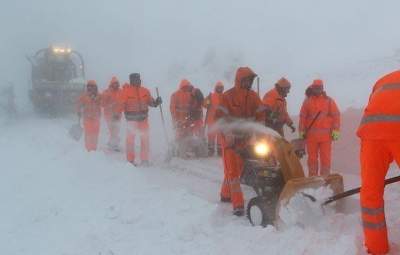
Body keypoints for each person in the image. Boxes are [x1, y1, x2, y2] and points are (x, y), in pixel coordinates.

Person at [357, 70, 400, 255]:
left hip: (371, 134)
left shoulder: (383, 79)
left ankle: (377, 248)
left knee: (370, 193)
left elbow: (373, 106)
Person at [215, 67, 266, 216]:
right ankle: (238, 205)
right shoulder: (227, 97)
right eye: (247, 80)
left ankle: (225, 194)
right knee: (233, 172)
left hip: (245, 140)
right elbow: (219, 118)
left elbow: (260, 114)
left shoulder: (254, 96)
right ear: (240, 80)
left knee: (237, 169)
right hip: (230, 140)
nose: (250, 82)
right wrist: (228, 133)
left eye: (251, 80)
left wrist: (261, 131)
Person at [298, 79, 340, 176]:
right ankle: (313, 179)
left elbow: (336, 116)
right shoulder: (307, 102)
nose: (317, 90)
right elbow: (302, 117)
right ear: (312, 88)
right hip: (311, 138)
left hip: (326, 137)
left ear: (322, 88)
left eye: (319, 88)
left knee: (325, 159)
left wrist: (336, 130)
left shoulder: (329, 101)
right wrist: (301, 131)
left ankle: (325, 179)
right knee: (312, 159)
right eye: (316, 88)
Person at [119, 73, 162, 166]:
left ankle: (144, 160)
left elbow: (151, 102)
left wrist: (156, 102)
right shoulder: (125, 91)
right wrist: (117, 113)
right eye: (135, 79)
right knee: (130, 141)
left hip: (143, 120)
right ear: (131, 80)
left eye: (138, 79)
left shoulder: (145, 91)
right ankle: (130, 161)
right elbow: (121, 104)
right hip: (131, 121)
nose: (137, 81)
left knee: (145, 139)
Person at [77, 80, 102, 151]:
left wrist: (97, 99)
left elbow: (103, 103)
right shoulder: (84, 96)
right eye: (89, 86)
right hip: (87, 119)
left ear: (95, 87)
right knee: (88, 134)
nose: (90, 88)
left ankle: (94, 149)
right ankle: (88, 149)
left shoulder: (99, 96)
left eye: (92, 86)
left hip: (96, 119)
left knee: (95, 135)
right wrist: (78, 111)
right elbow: (78, 104)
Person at [204, 81, 224, 156]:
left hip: (220, 121)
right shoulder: (211, 96)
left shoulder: (225, 96)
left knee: (220, 137)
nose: (220, 89)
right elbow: (204, 104)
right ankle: (210, 150)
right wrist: (207, 102)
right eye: (218, 87)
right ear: (216, 88)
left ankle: (220, 151)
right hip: (212, 120)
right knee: (211, 136)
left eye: (221, 87)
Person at [101, 76, 122, 151]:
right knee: (113, 130)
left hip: (118, 115)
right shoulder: (107, 92)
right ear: (111, 84)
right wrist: (109, 105)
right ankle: (114, 145)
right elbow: (102, 104)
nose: (115, 85)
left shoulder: (120, 91)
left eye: (116, 83)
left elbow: (123, 102)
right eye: (114, 83)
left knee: (116, 130)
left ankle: (112, 143)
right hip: (109, 115)